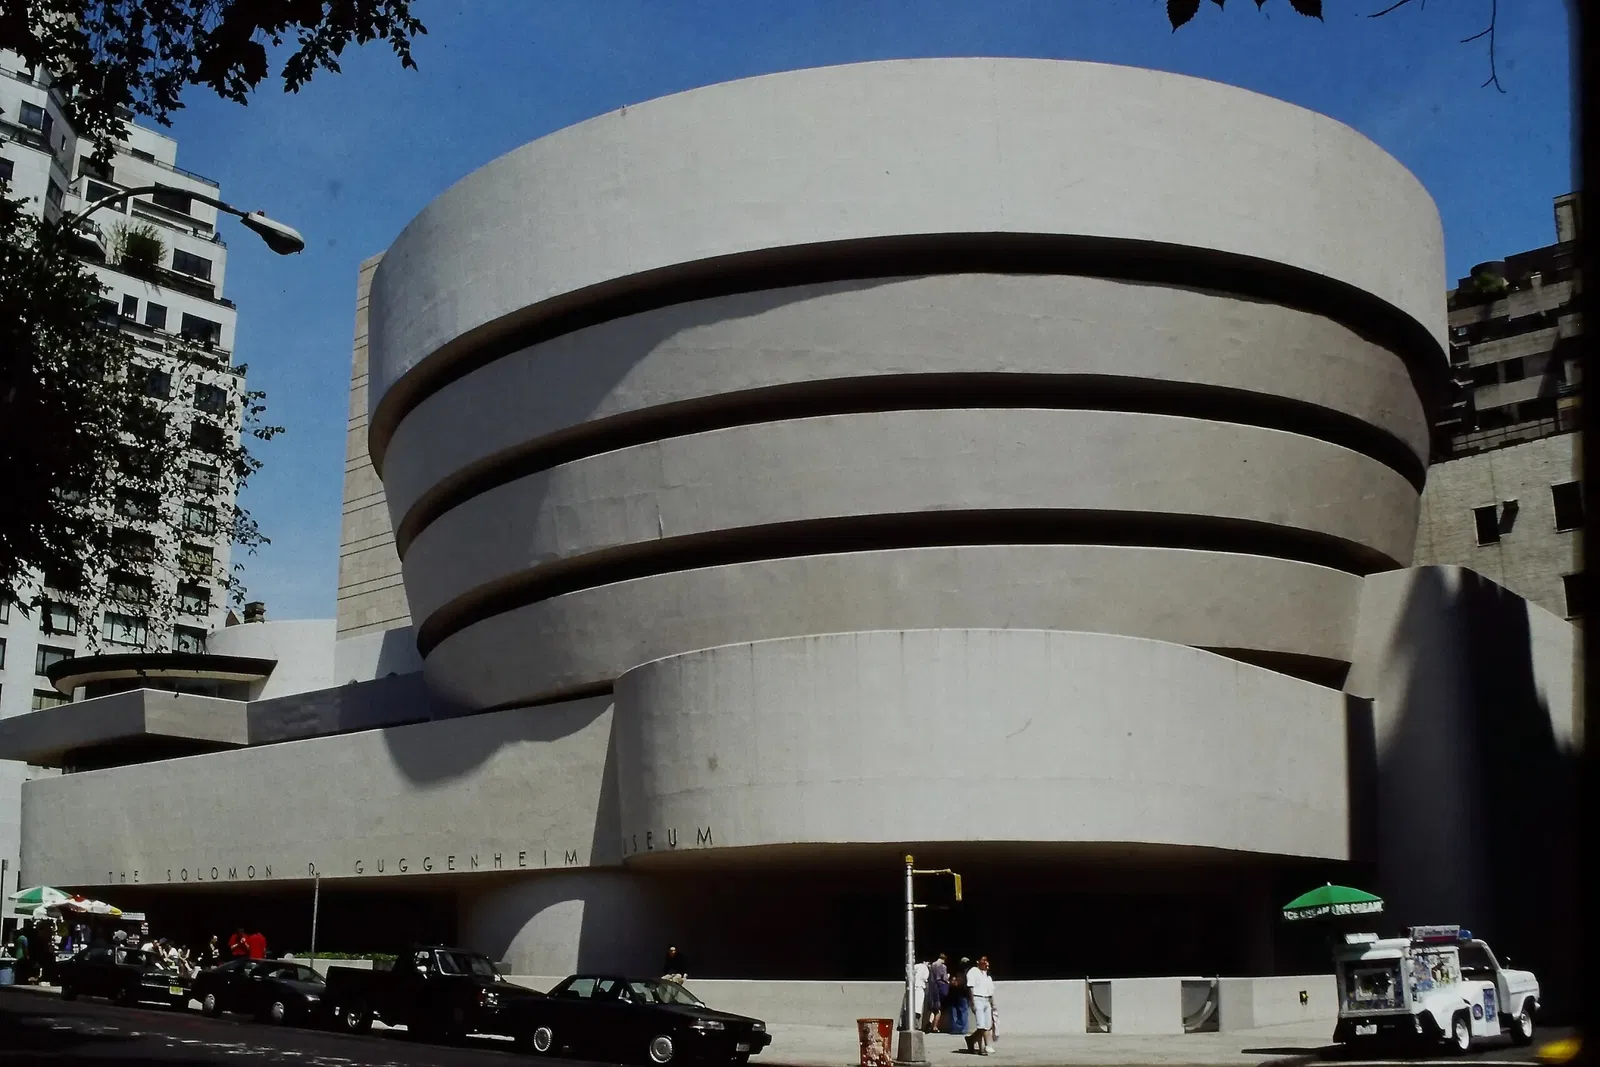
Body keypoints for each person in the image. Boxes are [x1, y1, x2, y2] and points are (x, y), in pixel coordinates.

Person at [966, 956, 996, 1055]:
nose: (986, 963)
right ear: (978, 961)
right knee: (981, 1025)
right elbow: (971, 987)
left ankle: (971, 1040)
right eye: (984, 960)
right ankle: (980, 1048)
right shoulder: (973, 971)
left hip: (986, 1000)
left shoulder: (986, 975)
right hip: (977, 998)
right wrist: (972, 1002)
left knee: (987, 1025)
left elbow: (990, 991)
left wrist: (992, 1003)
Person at [925, 953, 949, 1033]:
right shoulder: (943, 966)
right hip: (939, 988)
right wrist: (948, 977)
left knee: (933, 1009)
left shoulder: (932, 965)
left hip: (932, 988)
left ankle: (929, 1023)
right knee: (938, 1009)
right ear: (944, 959)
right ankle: (935, 1027)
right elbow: (944, 978)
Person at [947, 958, 970, 1036]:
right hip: (963, 994)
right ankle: (963, 1029)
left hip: (957, 993)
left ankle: (956, 1029)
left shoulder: (958, 973)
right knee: (963, 1011)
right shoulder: (967, 973)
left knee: (956, 1011)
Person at [912, 956, 930, 1031]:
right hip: (920, 987)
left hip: (912, 988)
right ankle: (916, 1025)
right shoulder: (925, 968)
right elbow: (925, 978)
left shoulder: (915, 966)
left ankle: (909, 1024)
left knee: (911, 1007)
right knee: (918, 1008)